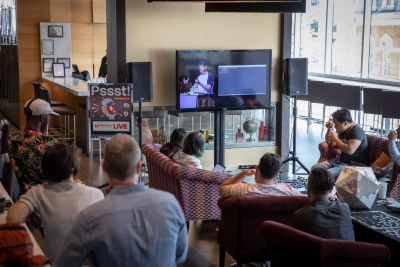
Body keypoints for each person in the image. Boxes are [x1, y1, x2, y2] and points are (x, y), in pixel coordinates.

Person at [54, 134, 188, 267]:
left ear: (104, 167)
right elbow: (180, 255)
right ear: (138, 167)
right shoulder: (170, 204)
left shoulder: (89, 218)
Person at [7, 143, 104, 261]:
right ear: (72, 167)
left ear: (44, 168)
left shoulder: (39, 192)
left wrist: (30, 211)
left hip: (56, 263)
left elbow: (12, 217)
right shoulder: (96, 194)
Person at [8, 98, 58, 194]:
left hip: (18, 195)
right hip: (43, 196)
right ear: (42, 117)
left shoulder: (11, 139)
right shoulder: (50, 144)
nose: (49, 120)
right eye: (49, 116)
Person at [292, 168, 355, 241]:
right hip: (347, 251)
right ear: (331, 190)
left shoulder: (300, 215)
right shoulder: (345, 208)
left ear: (308, 189)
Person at [312, 108, 368, 179]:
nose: (335, 127)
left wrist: (335, 138)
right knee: (314, 168)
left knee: (326, 175)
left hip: (353, 165)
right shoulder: (344, 130)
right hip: (339, 162)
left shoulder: (357, 131)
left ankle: (323, 189)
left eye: (336, 124)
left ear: (345, 123)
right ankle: (315, 189)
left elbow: (349, 151)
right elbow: (328, 140)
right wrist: (329, 129)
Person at [219, 153, 303, 198]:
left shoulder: (245, 189)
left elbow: (221, 190)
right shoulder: (288, 190)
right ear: (276, 175)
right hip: (279, 230)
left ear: (257, 169)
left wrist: (243, 174)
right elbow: (308, 201)